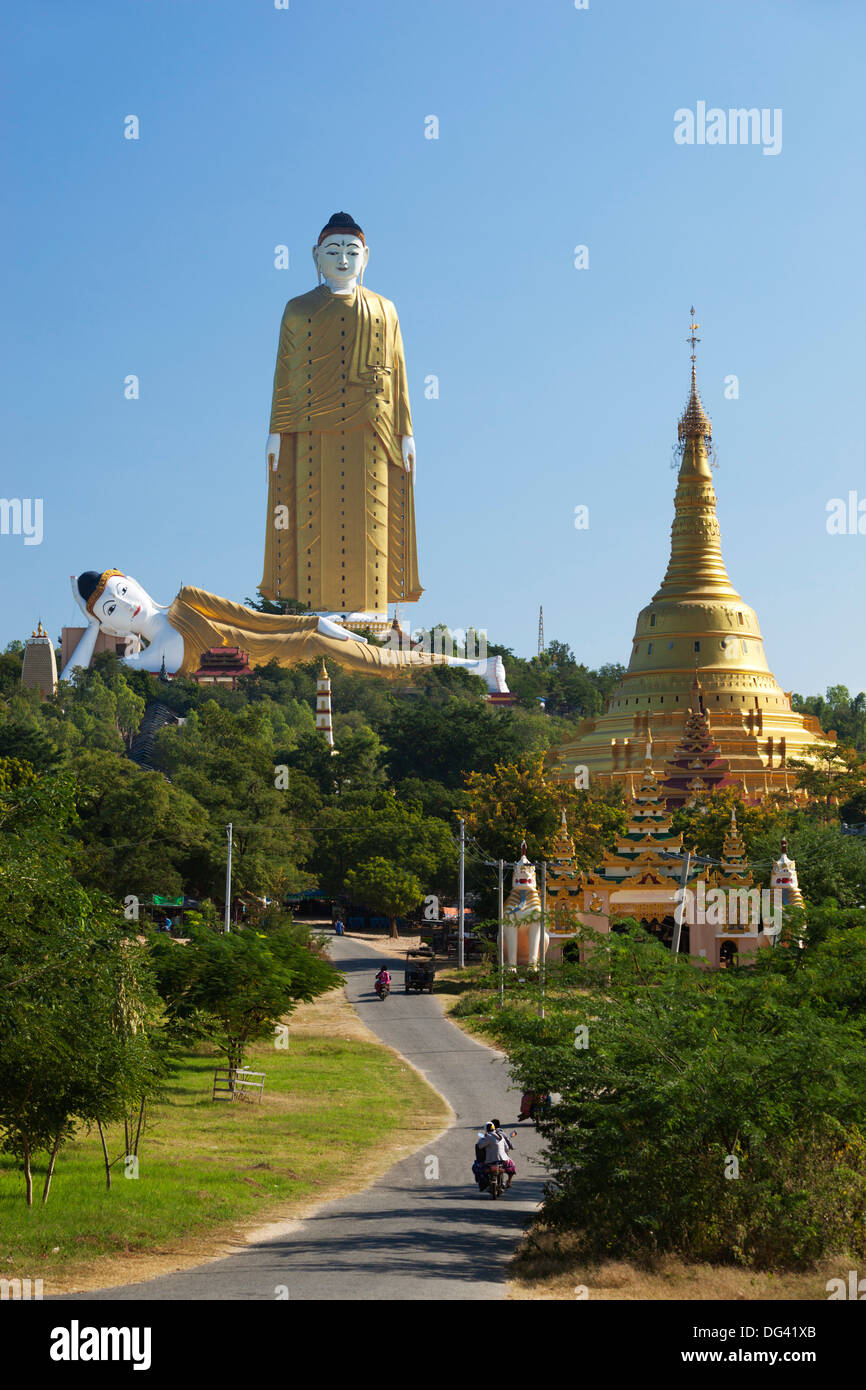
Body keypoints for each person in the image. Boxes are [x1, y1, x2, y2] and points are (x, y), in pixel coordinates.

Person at [490, 1118, 516, 1187]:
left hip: (490, 1158)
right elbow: (509, 1144)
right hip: (502, 1159)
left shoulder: (488, 1134)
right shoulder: (502, 1134)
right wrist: (512, 1147)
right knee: (512, 1166)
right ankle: (509, 1181)